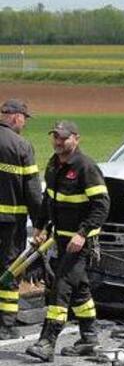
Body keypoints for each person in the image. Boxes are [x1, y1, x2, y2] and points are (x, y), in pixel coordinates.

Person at [25, 121, 110, 361]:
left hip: (81, 243)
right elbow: (48, 199)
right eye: (55, 137)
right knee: (80, 288)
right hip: (61, 239)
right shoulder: (53, 164)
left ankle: (46, 342)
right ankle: (89, 339)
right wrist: (41, 227)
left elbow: (102, 206)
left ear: (76, 139)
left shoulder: (85, 167)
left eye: (63, 138)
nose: (58, 142)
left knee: (60, 286)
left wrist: (82, 233)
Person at [0, 99, 41, 340]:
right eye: (24, 119)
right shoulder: (21, 146)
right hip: (10, 221)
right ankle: (5, 325)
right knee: (10, 269)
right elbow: (33, 191)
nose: (24, 124)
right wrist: (40, 223)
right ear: (16, 117)